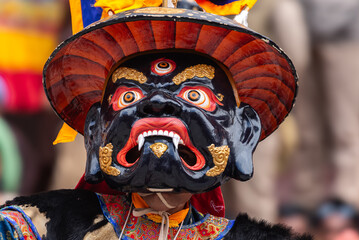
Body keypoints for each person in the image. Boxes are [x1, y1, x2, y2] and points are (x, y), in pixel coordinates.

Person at [0, 0, 311, 239]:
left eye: (194, 96)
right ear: (95, 131)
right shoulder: (41, 225)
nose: (159, 103)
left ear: (242, 134)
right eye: (130, 97)